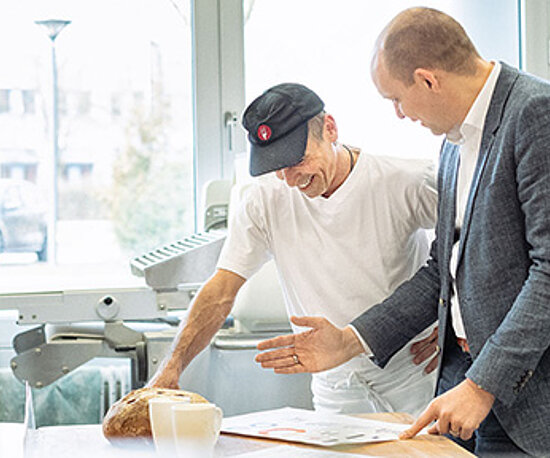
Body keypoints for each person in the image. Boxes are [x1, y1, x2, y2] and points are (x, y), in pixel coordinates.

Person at [255, 7, 550, 457]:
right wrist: (349, 341)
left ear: (428, 80)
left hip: (518, 396)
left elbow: (548, 273)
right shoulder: (453, 143)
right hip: (457, 384)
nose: (397, 114)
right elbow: (441, 270)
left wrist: (483, 384)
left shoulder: (534, 114)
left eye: (396, 98)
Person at [148, 82, 440, 417]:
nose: (288, 178)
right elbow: (221, 290)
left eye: (297, 160)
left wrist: (455, 323)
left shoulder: (407, 181)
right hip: (334, 383)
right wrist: (172, 367)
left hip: (414, 373)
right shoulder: (263, 199)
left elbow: (475, 247)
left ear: (330, 128)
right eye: (276, 166)